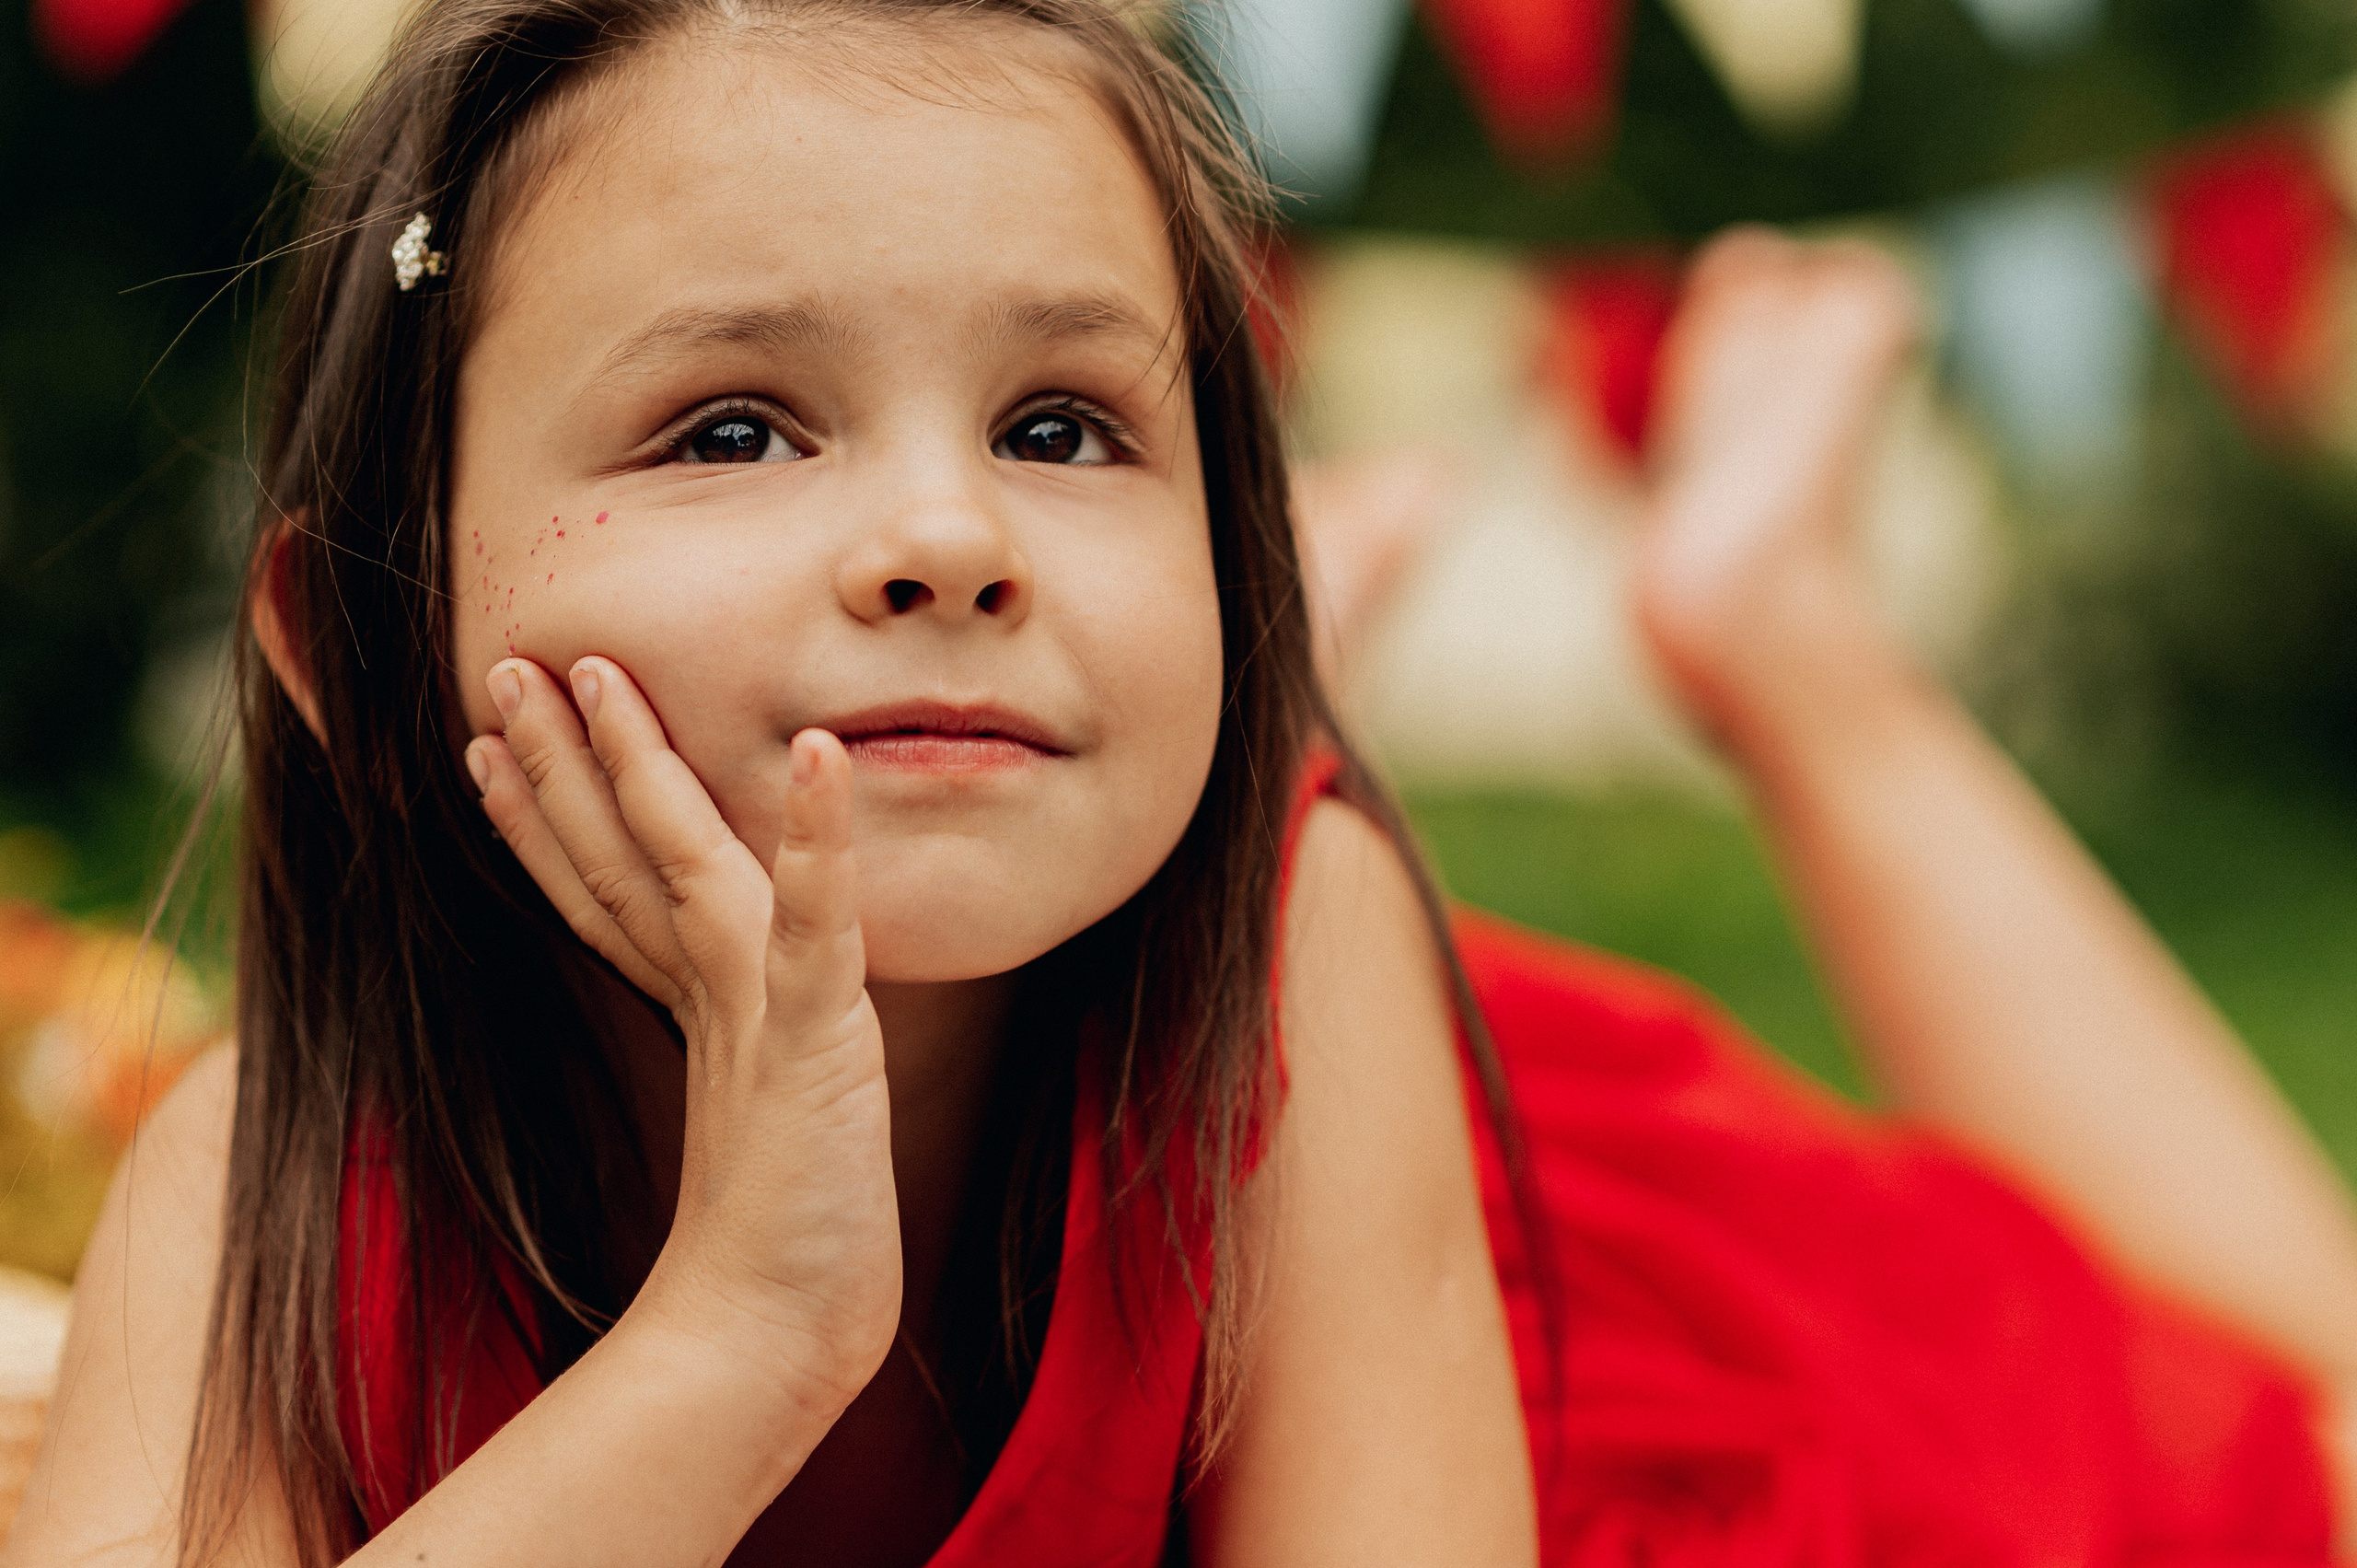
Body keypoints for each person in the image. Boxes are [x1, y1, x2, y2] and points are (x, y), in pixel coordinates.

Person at [4, 1, 2351, 1563]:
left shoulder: (1300, 964)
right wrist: (741, 1335)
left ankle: (1772, 635)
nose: (947, 535)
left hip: (1590, 1374)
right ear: (349, 650)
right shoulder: (273, 1174)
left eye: (1061, 428)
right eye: (729, 427)